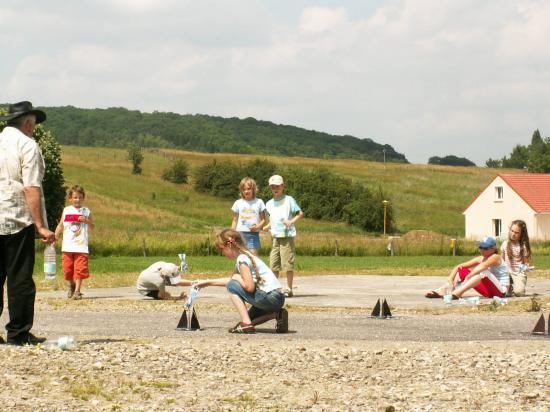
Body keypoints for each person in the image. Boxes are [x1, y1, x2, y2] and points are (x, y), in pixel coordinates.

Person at [0, 101, 55, 346]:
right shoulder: (27, 145)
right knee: (19, 278)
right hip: (16, 218)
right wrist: (40, 226)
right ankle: (18, 332)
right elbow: (31, 187)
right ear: (28, 123)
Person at [195, 229, 288, 334]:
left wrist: (237, 278)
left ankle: (246, 324)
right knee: (250, 317)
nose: (222, 253)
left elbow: (249, 287)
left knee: (231, 286)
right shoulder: (247, 255)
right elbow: (233, 281)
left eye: (221, 249)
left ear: (229, 245)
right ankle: (276, 315)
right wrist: (207, 282)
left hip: (270, 297)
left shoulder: (242, 259)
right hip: (278, 298)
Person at [425, 236, 509, 300]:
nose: (482, 250)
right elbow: (459, 267)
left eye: (485, 248)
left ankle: (457, 293)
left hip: (500, 292)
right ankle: (444, 290)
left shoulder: (496, 257)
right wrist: (450, 280)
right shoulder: (481, 258)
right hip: (488, 292)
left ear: (493, 249)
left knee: (483, 272)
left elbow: (483, 266)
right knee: (462, 270)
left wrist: (468, 276)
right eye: (480, 247)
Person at [263, 175, 304, 297]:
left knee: (287, 263)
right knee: (273, 263)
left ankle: (289, 289)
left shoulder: (289, 200)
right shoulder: (269, 204)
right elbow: (273, 219)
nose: (275, 189)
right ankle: (274, 288)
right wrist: (268, 226)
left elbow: (300, 213)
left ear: (282, 186)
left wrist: (291, 222)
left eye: (277, 186)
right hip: (275, 236)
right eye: (272, 187)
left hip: (287, 235)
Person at [54, 185, 95, 300]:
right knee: (67, 270)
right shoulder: (66, 211)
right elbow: (61, 225)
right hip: (67, 246)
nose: (77, 200)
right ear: (70, 199)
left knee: (80, 269)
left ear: (83, 198)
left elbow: (92, 227)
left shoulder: (86, 211)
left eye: (80, 197)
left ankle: (77, 291)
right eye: (75, 197)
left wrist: (86, 220)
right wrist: (56, 235)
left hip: (81, 246)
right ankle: (71, 284)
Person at [231, 177, 266, 256]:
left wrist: (257, 227)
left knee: (253, 256)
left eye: (249, 189)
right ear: (241, 191)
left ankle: (255, 268)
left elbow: (263, 219)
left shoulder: (259, 202)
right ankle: (241, 268)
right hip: (240, 234)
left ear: (253, 189)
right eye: (244, 189)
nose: (246, 191)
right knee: (241, 256)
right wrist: (232, 234)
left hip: (253, 234)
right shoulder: (238, 203)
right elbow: (235, 220)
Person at [501, 220, 532, 296]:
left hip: (518, 274)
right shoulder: (505, 244)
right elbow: (501, 261)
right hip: (507, 272)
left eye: (516, 232)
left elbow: (526, 264)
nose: (513, 234)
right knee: (501, 292)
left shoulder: (524, 246)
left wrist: (526, 268)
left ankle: (517, 286)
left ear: (522, 234)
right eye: (512, 231)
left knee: (519, 293)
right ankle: (509, 287)